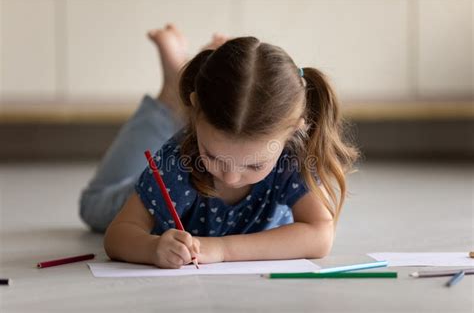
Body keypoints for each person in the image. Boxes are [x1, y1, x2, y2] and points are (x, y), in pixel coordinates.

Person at [80, 24, 359, 269]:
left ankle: (179, 82)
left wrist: (223, 250)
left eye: (253, 165)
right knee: (96, 206)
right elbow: (118, 235)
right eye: (213, 156)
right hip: (162, 182)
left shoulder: (292, 156)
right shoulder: (179, 159)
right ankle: (170, 95)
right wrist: (152, 248)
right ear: (196, 111)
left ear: (293, 131)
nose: (230, 177)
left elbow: (320, 235)